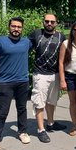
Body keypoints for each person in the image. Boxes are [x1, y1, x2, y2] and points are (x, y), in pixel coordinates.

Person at [0, 17, 32, 150]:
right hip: (5, 82)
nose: (16, 29)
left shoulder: (26, 42)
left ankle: (22, 132)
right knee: (2, 112)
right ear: (9, 27)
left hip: (22, 82)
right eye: (13, 26)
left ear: (22, 28)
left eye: (19, 27)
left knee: (22, 108)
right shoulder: (0, 41)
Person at [29, 13, 66, 143]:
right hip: (40, 74)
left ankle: (50, 123)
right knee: (39, 102)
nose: (49, 24)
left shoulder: (61, 36)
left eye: (52, 22)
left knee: (51, 101)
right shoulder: (36, 34)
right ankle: (41, 129)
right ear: (43, 22)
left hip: (55, 74)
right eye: (47, 21)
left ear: (56, 23)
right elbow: (24, 48)